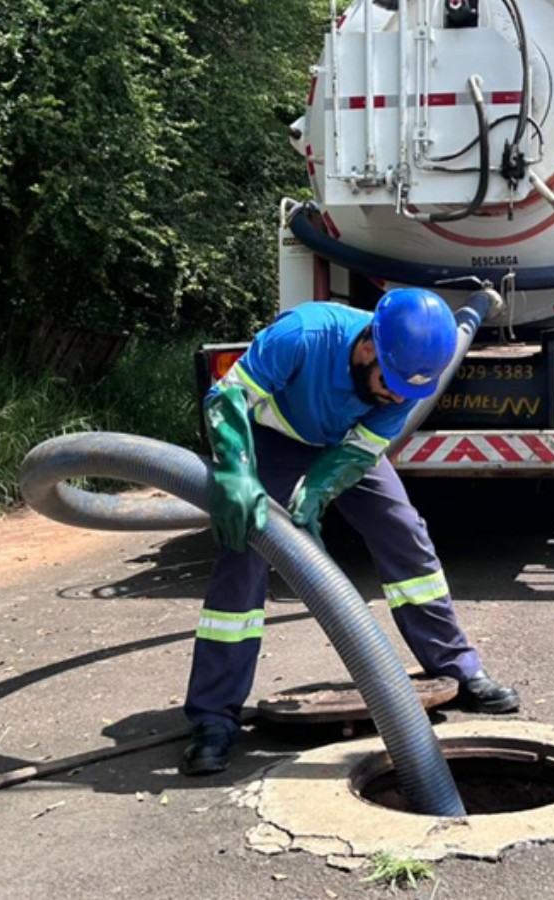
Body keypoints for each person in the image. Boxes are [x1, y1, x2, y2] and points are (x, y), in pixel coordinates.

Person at [182, 288, 520, 775]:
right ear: (366, 348)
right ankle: (213, 718)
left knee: (404, 532)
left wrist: (317, 492)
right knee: (245, 547)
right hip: (270, 440)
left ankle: (457, 668)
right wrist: (236, 472)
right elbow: (227, 396)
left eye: (406, 391)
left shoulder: (406, 377)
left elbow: (362, 448)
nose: (397, 397)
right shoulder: (303, 335)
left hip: (342, 445)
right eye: (390, 384)